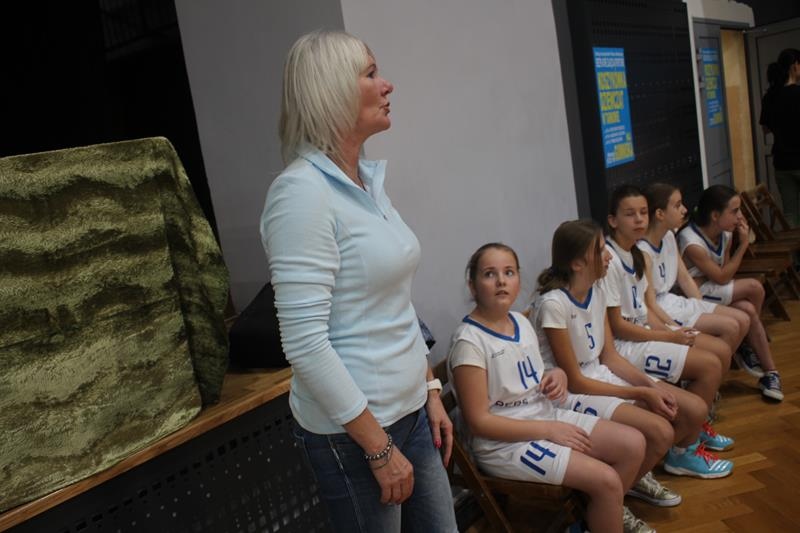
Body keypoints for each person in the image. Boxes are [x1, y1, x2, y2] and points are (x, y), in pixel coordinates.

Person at [260, 30, 457, 532]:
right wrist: (378, 447)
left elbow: (394, 302)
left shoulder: (364, 182)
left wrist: (430, 387)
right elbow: (304, 343)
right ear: (331, 91)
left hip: (411, 415)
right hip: (358, 436)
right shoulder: (301, 195)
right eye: (371, 74)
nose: (387, 85)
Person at [449, 243, 649, 533]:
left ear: (519, 280)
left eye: (509, 272)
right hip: (504, 444)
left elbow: (536, 372)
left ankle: (594, 518)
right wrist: (548, 430)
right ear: (472, 285)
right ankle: (603, 511)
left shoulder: (520, 321)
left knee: (634, 444)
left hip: (544, 415)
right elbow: (480, 422)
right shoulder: (469, 342)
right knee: (607, 482)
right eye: (490, 274)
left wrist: (557, 375)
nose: (501, 281)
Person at [530, 219, 732, 486]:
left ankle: (639, 476)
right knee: (661, 431)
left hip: (599, 374)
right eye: (600, 250)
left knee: (693, 409)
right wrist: (640, 393)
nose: (608, 256)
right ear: (577, 264)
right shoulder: (554, 305)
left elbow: (610, 357)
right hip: (569, 392)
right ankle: (621, 491)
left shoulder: (596, 288)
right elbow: (576, 381)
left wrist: (650, 386)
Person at [604, 185, 734, 452]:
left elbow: (646, 309)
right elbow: (618, 327)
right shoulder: (609, 260)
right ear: (613, 220)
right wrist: (668, 336)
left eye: (643, 212)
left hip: (643, 334)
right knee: (710, 365)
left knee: (718, 353)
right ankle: (684, 448)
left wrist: (672, 331)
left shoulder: (635, 253)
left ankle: (694, 429)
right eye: (630, 214)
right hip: (624, 347)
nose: (639, 219)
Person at [678, 185, 784, 401]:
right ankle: (747, 344)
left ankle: (770, 373)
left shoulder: (725, 233)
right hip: (691, 295)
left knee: (748, 310)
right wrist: (743, 244)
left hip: (710, 287)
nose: (740, 217)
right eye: (734, 211)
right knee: (754, 288)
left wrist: (729, 255)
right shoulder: (692, 241)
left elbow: (725, 269)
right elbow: (722, 277)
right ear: (715, 215)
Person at [761, 48, 800, 226]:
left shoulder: (770, 97)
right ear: (795, 66)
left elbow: (765, 129)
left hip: (782, 164)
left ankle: (794, 245)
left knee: (790, 213)